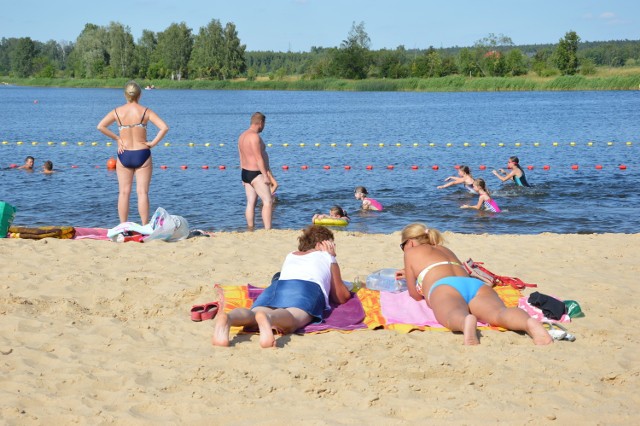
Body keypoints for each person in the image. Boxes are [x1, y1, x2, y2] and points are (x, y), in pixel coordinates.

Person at [398, 222, 552, 345]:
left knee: (451, 314)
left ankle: (465, 321)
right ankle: (528, 322)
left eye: (402, 246)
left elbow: (415, 295)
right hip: (474, 285)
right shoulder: (444, 249)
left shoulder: (411, 252)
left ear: (410, 242)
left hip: (445, 287)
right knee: (499, 313)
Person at [212, 225, 352, 348]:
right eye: (332, 244)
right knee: (292, 317)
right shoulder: (327, 257)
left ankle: (229, 318)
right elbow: (341, 297)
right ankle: (269, 318)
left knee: (254, 313)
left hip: (278, 286)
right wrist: (333, 257)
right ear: (322, 244)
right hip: (305, 289)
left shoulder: (291, 255)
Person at [97, 81, 169, 225]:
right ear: (140, 95)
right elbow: (164, 127)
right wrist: (152, 143)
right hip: (142, 153)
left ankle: (123, 226)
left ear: (125, 95)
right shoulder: (145, 111)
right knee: (142, 193)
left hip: (124, 154)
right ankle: (145, 226)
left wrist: (117, 138)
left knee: (124, 192)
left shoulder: (117, 111)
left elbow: (100, 126)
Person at [238, 112, 273, 229]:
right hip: (256, 173)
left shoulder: (242, 136)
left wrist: (242, 176)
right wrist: (266, 176)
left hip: (245, 173)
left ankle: (250, 227)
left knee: (250, 203)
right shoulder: (254, 137)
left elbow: (241, 156)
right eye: (264, 124)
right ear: (261, 123)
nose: (264, 127)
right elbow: (258, 158)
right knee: (268, 202)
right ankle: (268, 229)